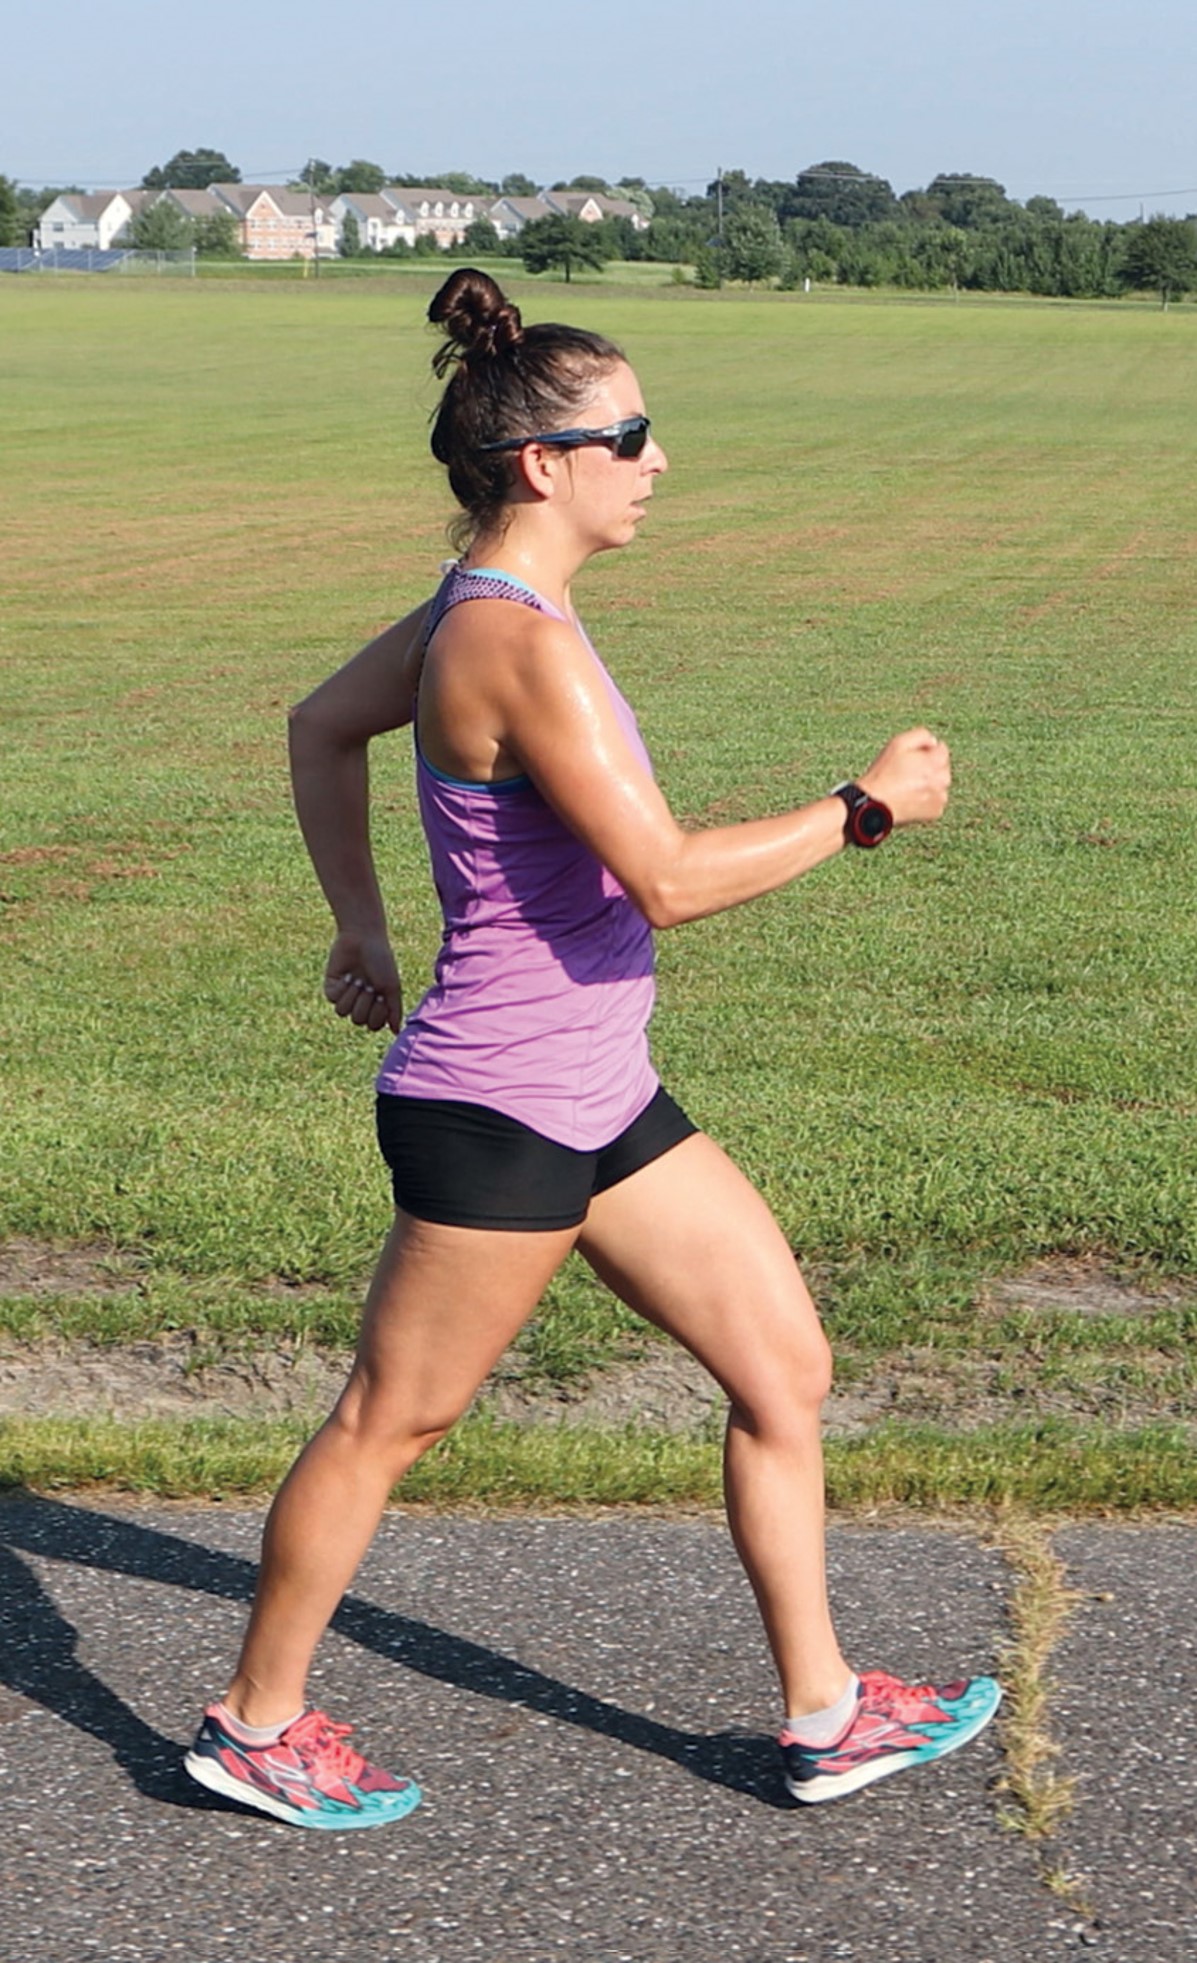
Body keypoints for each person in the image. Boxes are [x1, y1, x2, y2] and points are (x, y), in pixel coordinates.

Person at [184, 267, 1000, 1829]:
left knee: (782, 1370)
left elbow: (317, 724)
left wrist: (362, 930)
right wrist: (864, 808)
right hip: (499, 1106)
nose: (656, 460)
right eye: (630, 437)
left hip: (597, 1088)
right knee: (391, 1420)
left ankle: (827, 1715)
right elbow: (668, 878)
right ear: (542, 465)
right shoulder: (511, 642)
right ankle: (254, 1725)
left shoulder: (482, 612)